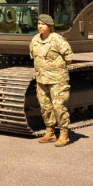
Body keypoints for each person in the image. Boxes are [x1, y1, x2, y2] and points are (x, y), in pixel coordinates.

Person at [29, 13, 73, 146]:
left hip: (57, 80)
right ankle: (50, 132)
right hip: (41, 79)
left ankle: (64, 134)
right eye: (38, 24)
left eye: (42, 24)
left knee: (59, 106)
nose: (40, 26)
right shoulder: (35, 40)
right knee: (45, 107)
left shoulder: (57, 39)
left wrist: (56, 68)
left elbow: (69, 58)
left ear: (49, 26)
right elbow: (34, 57)